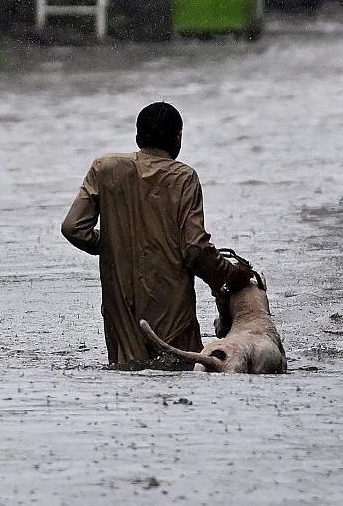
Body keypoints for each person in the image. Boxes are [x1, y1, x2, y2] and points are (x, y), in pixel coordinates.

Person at [61, 102, 253, 369]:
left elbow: (73, 228)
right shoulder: (184, 178)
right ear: (178, 139)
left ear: (138, 137)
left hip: (122, 315)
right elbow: (195, 250)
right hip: (173, 316)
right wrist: (232, 275)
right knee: (181, 374)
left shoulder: (104, 169)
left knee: (128, 379)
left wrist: (117, 243)